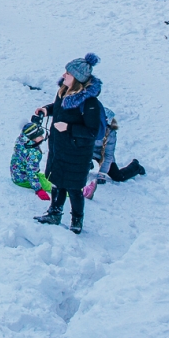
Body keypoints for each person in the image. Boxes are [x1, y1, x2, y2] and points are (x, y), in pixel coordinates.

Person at [33, 53, 103, 234]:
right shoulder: (63, 92)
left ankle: (76, 221)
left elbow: (92, 132)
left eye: (68, 73)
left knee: (74, 189)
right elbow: (59, 109)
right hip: (59, 148)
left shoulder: (89, 103)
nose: (64, 75)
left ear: (77, 79)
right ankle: (54, 213)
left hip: (77, 154)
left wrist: (69, 128)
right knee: (57, 183)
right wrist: (46, 110)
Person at [10, 115, 52, 200]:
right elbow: (31, 172)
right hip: (23, 179)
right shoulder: (33, 153)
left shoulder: (21, 141)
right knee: (48, 184)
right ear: (33, 138)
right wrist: (38, 189)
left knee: (46, 176)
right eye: (40, 136)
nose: (43, 138)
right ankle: (71, 191)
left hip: (16, 174)